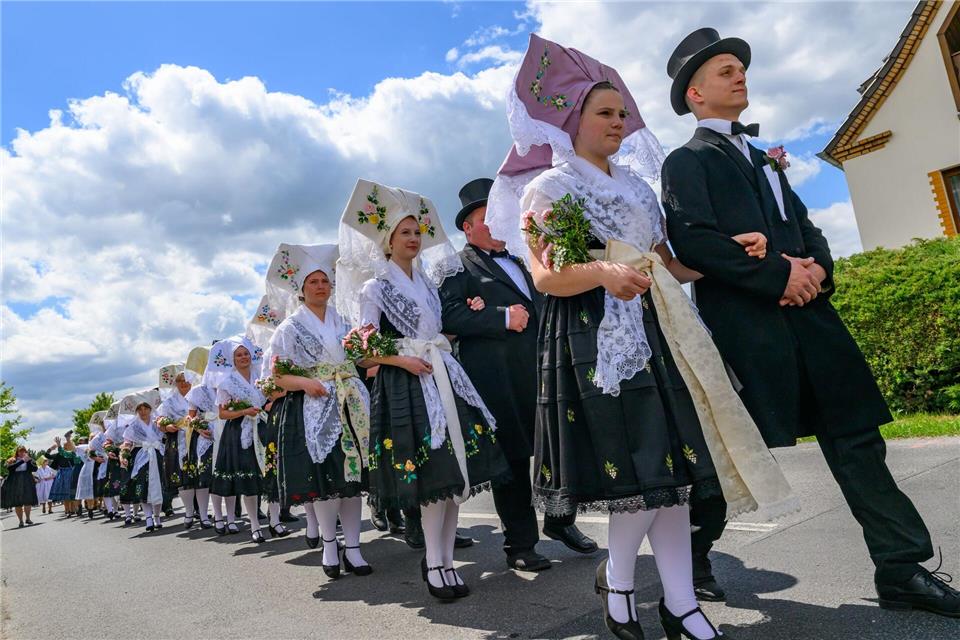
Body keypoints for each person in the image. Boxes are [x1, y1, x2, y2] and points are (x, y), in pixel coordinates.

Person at [486, 33, 796, 640]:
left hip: (658, 326)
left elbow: (666, 261)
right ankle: (623, 585)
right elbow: (548, 277)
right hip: (592, 337)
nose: (619, 122)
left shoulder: (636, 186)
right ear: (572, 120)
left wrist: (724, 252)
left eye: (622, 113)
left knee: (673, 476)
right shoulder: (548, 188)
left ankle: (679, 604)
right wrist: (601, 271)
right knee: (642, 479)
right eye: (605, 113)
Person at [661, 28, 960, 618]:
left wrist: (816, 273)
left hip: (813, 319)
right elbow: (692, 241)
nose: (739, 74)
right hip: (749, 331)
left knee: (858, 440)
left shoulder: (767, 158)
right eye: (724, 70)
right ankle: (689, 556)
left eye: (739, 67)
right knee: (732, 448)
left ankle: (900, 568)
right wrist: (777, 275)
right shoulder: (686, 161)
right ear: (695, 95)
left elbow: (806, 226)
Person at [337, 178, 512, 601]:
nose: (414, 239)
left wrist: (467, 312)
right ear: (388, 240)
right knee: (434, 480)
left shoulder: (429, 285)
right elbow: (360, 347)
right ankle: (434, 562)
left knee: (453, 480)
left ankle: (445, 560)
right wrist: (400, 360)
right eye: (405, 233)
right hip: (407, 385)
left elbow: (439, 328)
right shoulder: (374, 287)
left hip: (442, 376)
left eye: (418, 232)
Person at [442, 177, 598, 572]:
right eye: (488, 216)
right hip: (495, 380)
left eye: (501, 214)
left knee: (559, 447)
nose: (497, 222)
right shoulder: (455, 266)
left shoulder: (522, 257)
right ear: (468, 227)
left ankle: (561, 521)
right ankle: (520, 545)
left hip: (543, 368)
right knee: (511, 462)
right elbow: (446, 315)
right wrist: (498, 317)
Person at [260, 243, 372, 575]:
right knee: (327, 482)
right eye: (314, 282)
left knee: (352, 480)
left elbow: (360, 360)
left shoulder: (345, 320)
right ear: (301, 289)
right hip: (316, 408)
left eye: (325, 281)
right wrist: (306, 383)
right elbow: (276, 376)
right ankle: (328, 545)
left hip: (351, 404)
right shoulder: (289, 328)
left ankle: (353, 547)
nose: (321, 286)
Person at [205, 336, 268, 542]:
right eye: (239, 355)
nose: (243, 357)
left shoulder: (261, 376)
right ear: (233, 359)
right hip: (238, 432)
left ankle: (274, 520)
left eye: (246, 354)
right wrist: (244, 412)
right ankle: (254, 525)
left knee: (267, 474)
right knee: (248, 479)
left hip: (262, 427)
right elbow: (223, 414)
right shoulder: (227, 382)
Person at [120, 392, 166, 532]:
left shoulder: (158, 421)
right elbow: (127, 442)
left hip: (158, 454)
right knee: (143, 486)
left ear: (150, 409)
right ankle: (148, 518)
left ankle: (157, 516)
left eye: (145, 408)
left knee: (159, 485)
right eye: (139, 409)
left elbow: (167, 433)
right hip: (141, 456)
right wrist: (123, 454)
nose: (143, 411)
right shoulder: (133, 426)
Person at [46, 434, 83, 517]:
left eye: (68, 444)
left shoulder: (76, 452)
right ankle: (70, 510)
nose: (67, 446)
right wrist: (57, 446)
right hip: (64, 474)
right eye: (66, 445)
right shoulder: (62, 454)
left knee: (73, 492)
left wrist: (54, 448)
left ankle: (76, 508)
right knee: (67, 493)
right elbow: (48, 455)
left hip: (73, 473)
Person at [2, 447, 38, 527]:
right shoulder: (12, 460)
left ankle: (28, 518)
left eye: (24, 451)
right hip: (15, 483)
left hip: (27, 482)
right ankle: (21, 521)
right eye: (20, 451)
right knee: (17, 503)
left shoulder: (29, 460)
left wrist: (28, 461)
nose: (22, 453)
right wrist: (22, 461)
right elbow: (10, 468)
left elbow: (35, 469)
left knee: (28, 501)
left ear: (26, 452)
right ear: (17, 452)